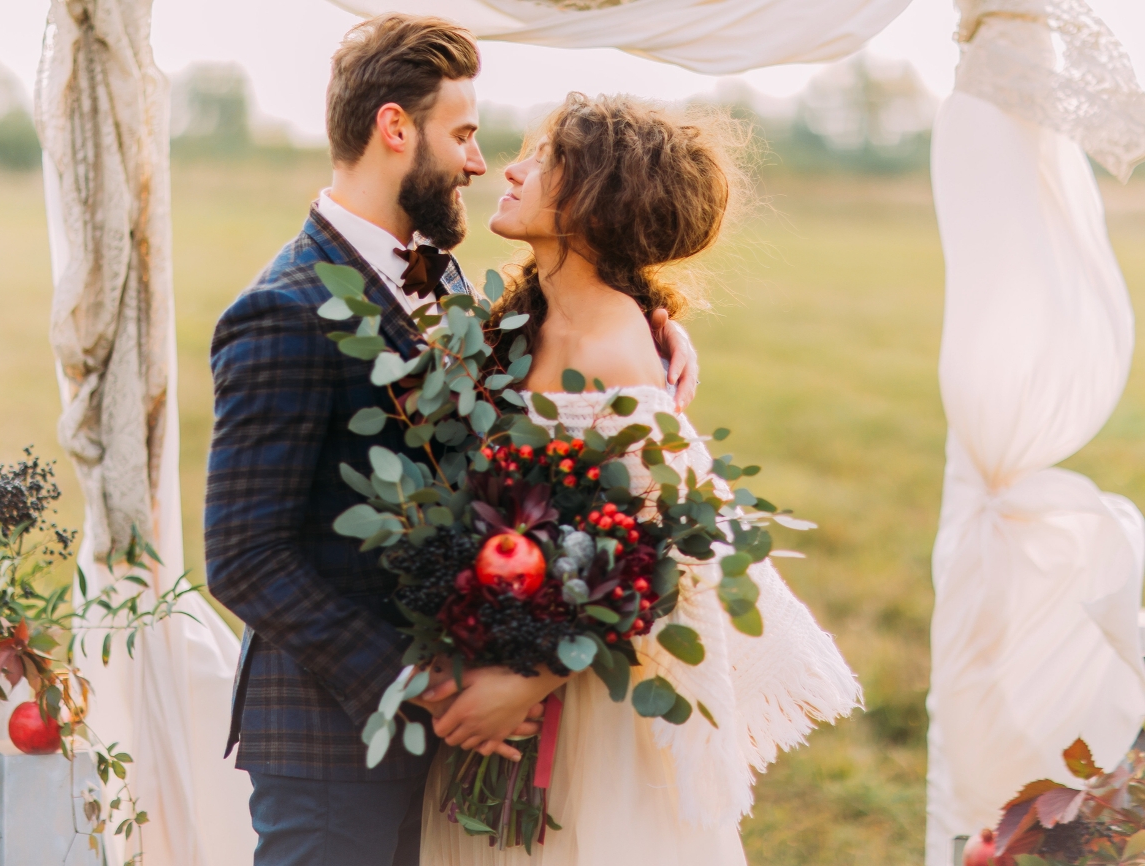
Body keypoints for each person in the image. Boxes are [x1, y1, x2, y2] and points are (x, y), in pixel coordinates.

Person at [203, 16, 701, 866]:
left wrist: (649, 331)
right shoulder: (280, 310)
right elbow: (245, 557)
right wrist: (430, 687)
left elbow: (542, 379)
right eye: (463, 134)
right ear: (395, 128)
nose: (479, 161)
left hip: (458, 735)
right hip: (336, 738)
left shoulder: (448, 275)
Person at [413, 93, 864, 864]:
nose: (511, 169)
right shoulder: (523, 322)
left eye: (542, 159)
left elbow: (670, 555)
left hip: (579, 704)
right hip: (501, 668)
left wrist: (528, 683)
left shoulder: (616, 353)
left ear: (594, 200)